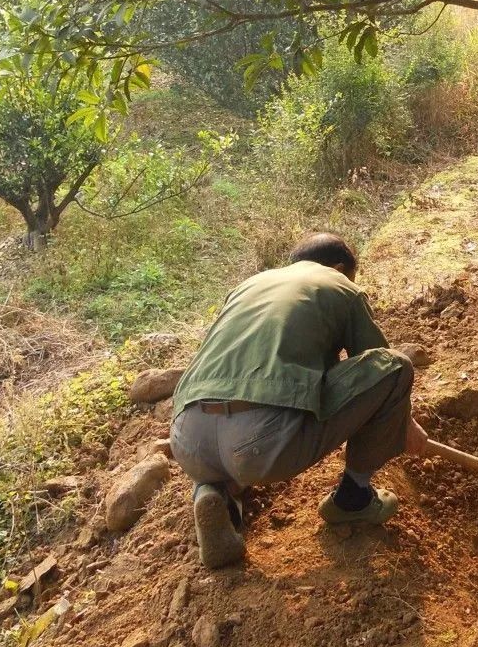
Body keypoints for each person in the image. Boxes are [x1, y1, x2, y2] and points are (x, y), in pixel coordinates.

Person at [169, 232, 428, 568]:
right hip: (261, 444)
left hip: (188, 440)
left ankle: (212, 492)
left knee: (225, 451)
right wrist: (404, 423)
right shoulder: (339, 284)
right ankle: (353, 499)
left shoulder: (249, 285)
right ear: (339, 267)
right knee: (397, 366)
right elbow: (377, 365)